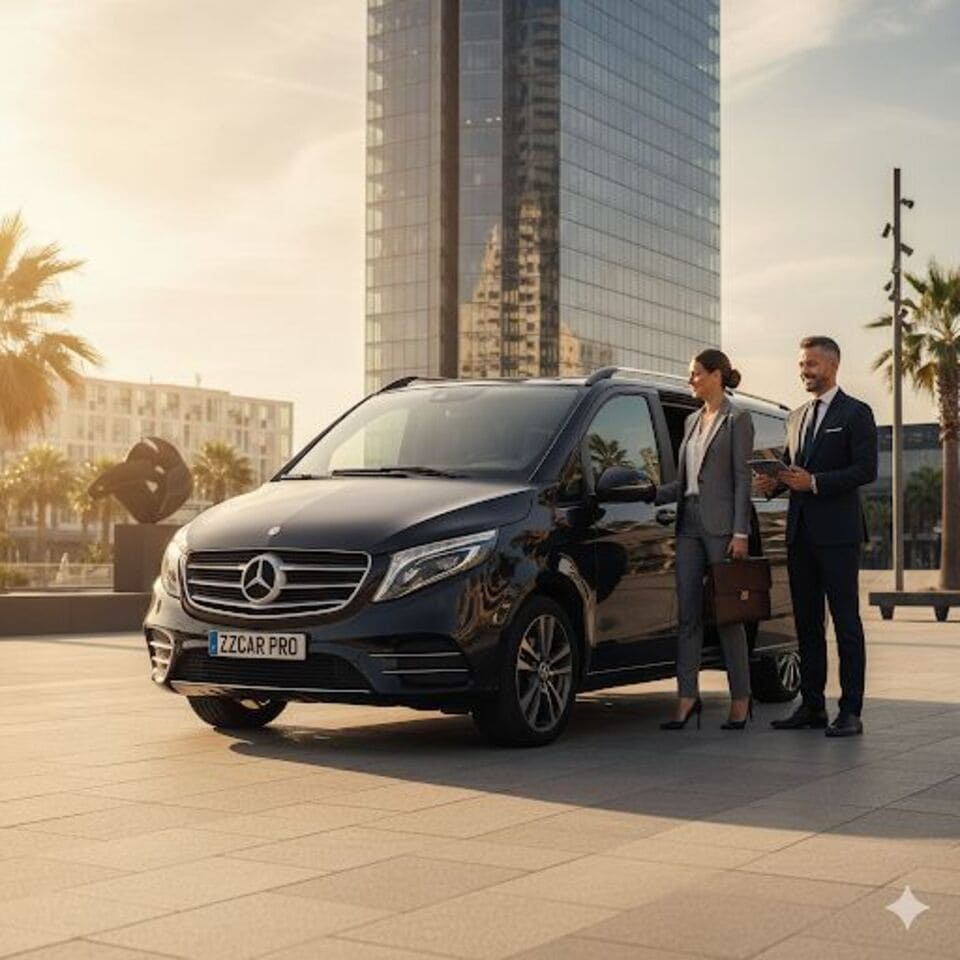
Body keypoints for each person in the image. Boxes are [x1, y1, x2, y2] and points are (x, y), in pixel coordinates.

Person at [755, 336, 877, 737]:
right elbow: (792, 469)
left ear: (832, 365)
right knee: (807, 625)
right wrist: (774, 483)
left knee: (845, 623)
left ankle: (851, 711)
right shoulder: (796, 417)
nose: (804, 371)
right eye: (801, 365)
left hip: (838, 536)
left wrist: (815, 482)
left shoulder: (856, 412)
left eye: (811, 364)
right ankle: (811, 705)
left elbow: (866, 470)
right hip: (800, 535)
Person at [652, 349, 755, 730]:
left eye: (695, 373)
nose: (690, 380)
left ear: (716, 375)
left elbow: (742, 479)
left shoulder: (737, 419)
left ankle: (741, 699)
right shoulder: (692, 420)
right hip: (688, 523)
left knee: (728, 615)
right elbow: (686, 480)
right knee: (688, 615)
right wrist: (650, 492)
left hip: (722, 526)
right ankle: (687, 697)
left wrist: (741, 532)